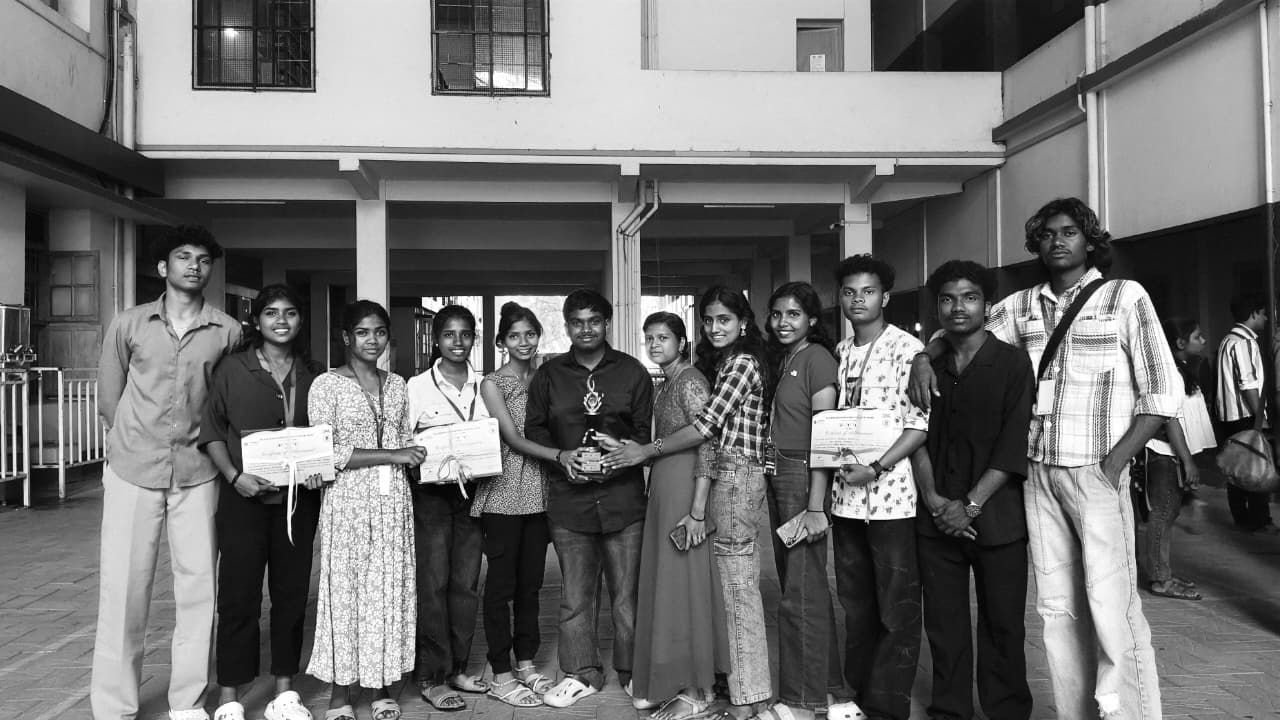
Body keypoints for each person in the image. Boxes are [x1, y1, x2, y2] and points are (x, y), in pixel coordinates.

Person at [909, 197, 1178, 719]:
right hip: (1036, 475)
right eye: (1049, 233)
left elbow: (1161, 393)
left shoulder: (1124, 297)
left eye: (1070, 232)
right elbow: (961, 327)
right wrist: (924, 355)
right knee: (1057, 610)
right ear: (1037, 243)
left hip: (1095, 471)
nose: (1058, 241)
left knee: (1112, 605)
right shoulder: (1021, 306)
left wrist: (1112, 467)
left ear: (1089, 240)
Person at [602, 287, 773, 719]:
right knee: (686, 585)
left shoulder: (701, 377)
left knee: (711, 588)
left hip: (705, 484)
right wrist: (628, 450)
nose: (714, 328)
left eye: (724, 320)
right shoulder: (678, 379)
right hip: (674, 484)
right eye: (709, 320)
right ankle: (701, 684)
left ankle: (727, 694)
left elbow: (706, 437)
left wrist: (696, 509)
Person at [91, 225, 241, 720]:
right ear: (163, 267)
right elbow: (110, 397)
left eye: (203, 259)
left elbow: (227, 402)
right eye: (183, 257)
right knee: (123, 590)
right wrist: (123, 444)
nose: (194, 266)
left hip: (198, 472)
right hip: (133, 468)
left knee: (199, 590)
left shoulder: (227, 331)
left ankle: (188, 702)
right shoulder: (129, 324)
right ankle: (114, 706)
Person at [912, 261, 1034, 720]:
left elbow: (1013, 442)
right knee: (944, 626)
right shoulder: (928, 366)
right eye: (947, 299)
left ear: (987, 304)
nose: (958, 307)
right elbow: (914, 434)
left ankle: (1006, 711)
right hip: (936, 518)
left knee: (1003, 624)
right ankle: (950, 710)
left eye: (969, 297)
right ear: (936, 308)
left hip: (996, 518)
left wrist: (971, 505)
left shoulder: (1012, 363)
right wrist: (934, 500)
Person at [524, 289, 655, 708]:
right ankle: (582, 674)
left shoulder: (632, 372)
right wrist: (563, 457)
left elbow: (644, 434)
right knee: (575, 597)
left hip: (623, 500)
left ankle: (634, 673)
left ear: (606, 324)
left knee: (627, 597)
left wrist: (620, 455)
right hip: (570, 500)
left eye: (594, 321)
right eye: (577, 322)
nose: (586, 329)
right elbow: (534, 429)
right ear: (566, 326)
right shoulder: (549, 375)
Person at [200, 285, 323, 720]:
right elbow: (212, 432)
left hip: (298, 503)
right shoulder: (232, 369)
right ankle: (229, 697)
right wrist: (235, 478)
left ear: (300, 320)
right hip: (243, 502)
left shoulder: (315, 375)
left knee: (291, 597)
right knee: (238, 599)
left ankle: (285, 692)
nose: (281, 320)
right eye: (271, 313)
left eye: (290, 312)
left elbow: (324, 437)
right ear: (257, 320)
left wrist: (318, 471)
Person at [306, 301, 425, 720]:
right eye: (362, 332)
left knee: (386, 592)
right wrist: (394, 455)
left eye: (379, 332)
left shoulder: (398, 385)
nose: (372, 340)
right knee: (346, 593)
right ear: (346, 337)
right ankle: (340, 695)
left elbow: (406, 438)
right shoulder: (326, 385)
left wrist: (427, 452)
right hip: (348, 503)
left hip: (394, 503)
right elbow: (327, 451)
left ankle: (379, 686)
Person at [607, 312, 727, 720]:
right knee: (669, 586)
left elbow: (708, 442)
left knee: (684, 586)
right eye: (650, 338)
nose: (655, 345)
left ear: (682, 342)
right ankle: (679, 682)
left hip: (684, 490)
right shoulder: (666, 382)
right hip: (664, 485)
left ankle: (697, 690)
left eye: (663, 338)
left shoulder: (690, 380)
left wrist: (697, 511)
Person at [827, 255, 928, 720]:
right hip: (846, 498)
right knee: (856, 604)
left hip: (891, 500)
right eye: (849, 292)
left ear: (885, 297)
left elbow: (918, 425)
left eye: (867, 292)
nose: (858, 300)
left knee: (896, 607)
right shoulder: (841, 350)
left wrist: (877, 467)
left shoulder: (907, 348)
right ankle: (858, 697)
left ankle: (887, 708)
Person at [405, 305, 492, 711]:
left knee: (465, 585)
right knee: (433, 584)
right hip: (432, 497)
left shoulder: (485, 386)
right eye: (449, 334)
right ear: (436, 339)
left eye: (465, 334)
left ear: (474, 338)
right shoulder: (416, 387)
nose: (458, 342)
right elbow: (404, 440)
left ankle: (458, 668)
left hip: (473, 493)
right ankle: (431, 675)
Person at [762, 282, 842, 720]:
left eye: (793, 314)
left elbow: (825, 437)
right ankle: (827, 689)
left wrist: (815, 505)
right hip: (780, 470)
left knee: (800, 590)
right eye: (777, 314)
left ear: (812, 318)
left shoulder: (817, 358)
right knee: (802, 584)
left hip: (802, 473)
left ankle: (801, 702)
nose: (783, 322)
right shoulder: (786, 358)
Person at [475, 302, 562, 707]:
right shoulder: (493, 384)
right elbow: (512, 438)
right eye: (514, 336)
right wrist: (561, 455)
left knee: (531, 584)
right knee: (500, 586)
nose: (523, 342)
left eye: (530, 334)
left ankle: (526, 663)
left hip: (541, 493)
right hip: (504, 493)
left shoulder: (547, 377)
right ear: (501, 342)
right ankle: (501, 673)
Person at [1143, 319, 1213, 599]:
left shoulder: (1180, 369)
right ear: (1180, 343)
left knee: (1168, 513)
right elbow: (1170, 420)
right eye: (1197, 336)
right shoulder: (1168, 372)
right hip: (1163, 452)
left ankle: (1163, 572)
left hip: (1171, 453)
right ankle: (1160, 579)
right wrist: (1188, 460)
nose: (1203, 341)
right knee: (1162, 514)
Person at [1215, 292, 1277, 534]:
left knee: (1237, 469)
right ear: (1253, 314)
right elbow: (1248, 384)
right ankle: (1259, 520)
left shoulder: (1227, 340)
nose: (1266, 319)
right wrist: (1261, 419)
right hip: (1245, 416)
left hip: (1230, 417)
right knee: (1255, 468)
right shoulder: (1244, 342)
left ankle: (1242, 518)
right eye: (1263, 314)